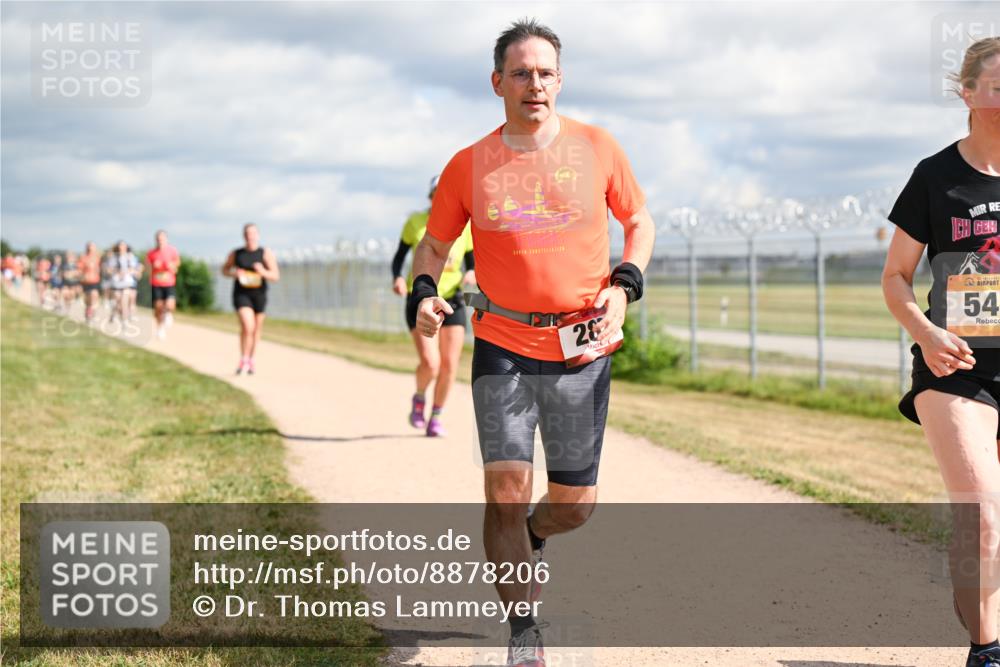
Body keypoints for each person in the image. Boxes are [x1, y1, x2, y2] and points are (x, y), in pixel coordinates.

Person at [407, 19, 655, 666]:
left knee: (574, 505)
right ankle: (524, 632)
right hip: (503, 344)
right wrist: (424, 292)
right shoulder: (468, 164)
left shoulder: (598, 147)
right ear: (498, 83)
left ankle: (536, 535)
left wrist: (625, 283)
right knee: (505, 492)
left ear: (561, 80)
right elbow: (433, 246)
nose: (534, 84)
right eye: (521, 73)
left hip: (581, 346)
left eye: (545, 72)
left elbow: (638, 219)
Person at [882, 36, 1000, 667]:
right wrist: (926, 334)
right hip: (957, 367)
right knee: (982, 510)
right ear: (968, 93)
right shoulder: (936, 177)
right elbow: (896, 277)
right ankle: (987, 650)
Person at [392, 175, 475, 436]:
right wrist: (397, 277)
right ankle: (419, 397)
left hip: (452, 299)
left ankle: (436, 416)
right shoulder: (416, 222)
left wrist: (471, 272)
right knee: (431, 362)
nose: (442, 198)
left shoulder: (465, 226)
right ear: (430, 197)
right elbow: (399, 257)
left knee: (449, 364)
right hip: (422, 299)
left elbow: (471, 259)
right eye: (437, 193)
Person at [221, 223, 279, 375]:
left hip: (259, 294)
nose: (250, 236)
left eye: (253, 233)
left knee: (256, 330)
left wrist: (262, 271)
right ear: (243, 235)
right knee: (248, 326)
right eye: (247, 233)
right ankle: (243, 359)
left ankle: (251, 360)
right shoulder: (237, 253)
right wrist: (234, 273)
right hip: (241, 294)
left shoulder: (265, 253)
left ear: (258, 235)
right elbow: (224, 270)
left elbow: (275, 276)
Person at [146, 230, 181, 340]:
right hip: (156, 283)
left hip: (169, 283)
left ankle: (168, 314)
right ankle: (160, 328)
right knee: (158, 307)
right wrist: (153, 266)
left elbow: (177, 266)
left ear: (166, 239)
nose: (160, 241)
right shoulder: (151, 253)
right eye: (158, 239)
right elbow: (147, 269)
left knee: (170, 305)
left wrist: (171, 266)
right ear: (156, 240)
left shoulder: (172, 251)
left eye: (162, 239)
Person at [109, 241, 143, 323]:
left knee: (125, 301)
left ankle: (124, 319)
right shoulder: (114, 257)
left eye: (123, 245)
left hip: (127, 283)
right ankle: (114, 314)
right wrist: (117, 272)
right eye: (120, 245)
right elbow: (109, 269)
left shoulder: (130, 257)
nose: (121, 247)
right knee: (118, 301)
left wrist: (129, 272)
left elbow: (136, 267)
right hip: (116, 283)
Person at [78, 242, 103, 323]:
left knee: (94, 295)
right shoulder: (83, 257)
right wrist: (81, 276)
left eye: (92, 247)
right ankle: (88, 312)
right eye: (89, 247)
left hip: (95, 281)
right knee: (87, 300)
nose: (91, 248)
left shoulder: (98, 257)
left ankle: (91, 314)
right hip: (85, 281)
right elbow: (80, 269)